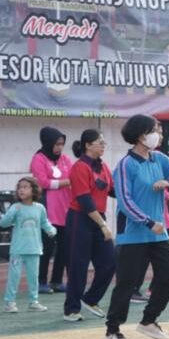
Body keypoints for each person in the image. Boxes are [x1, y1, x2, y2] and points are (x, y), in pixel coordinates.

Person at [103, 115, 169, 339]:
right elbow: (124, 201)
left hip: (158, 232)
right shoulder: (126, 165)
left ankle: (149, 320)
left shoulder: (158, 159)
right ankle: (112, 331)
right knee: (127, 282)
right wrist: (147, 222)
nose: (159, 136)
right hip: (135, 233)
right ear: (142, 135)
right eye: (156, 131)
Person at [64, 129, 116, 323]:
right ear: (87, 145)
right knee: (78, 266)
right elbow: (85, 201)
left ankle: (91, 298)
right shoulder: (79, 167)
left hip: (97, 217)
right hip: (80, 218)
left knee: (110, 261)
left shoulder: (103, 166)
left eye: (104, 142)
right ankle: (71, 309)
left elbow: (113, 190)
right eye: (99, 142)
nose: (103, 145)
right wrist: (103, 225)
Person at [0, 176, 56, 313]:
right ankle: (9, 302)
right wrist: (11, 212)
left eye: (25, 187)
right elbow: (3, 223)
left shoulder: (40, 208)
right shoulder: (16, 207)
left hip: (35, 249)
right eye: (19, 187)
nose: (21, 190)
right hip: (18, 249)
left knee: (33, 277)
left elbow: (44, 222)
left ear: (34, 190)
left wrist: (51, 230)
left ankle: (33, 301)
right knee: (14, 277)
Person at [30, 126, 73, 294]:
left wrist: (62, 182)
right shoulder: (38, 159)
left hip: (65, 208)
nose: (59, 147)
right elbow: (42, 183)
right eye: (56, 144)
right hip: (47, 208)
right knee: (46, 247)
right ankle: (40, 282)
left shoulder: (65, 159)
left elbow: (73, 177)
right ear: (47, 143)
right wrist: (64, 182)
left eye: (62, 144)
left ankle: (56, 281)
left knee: (64, 247)